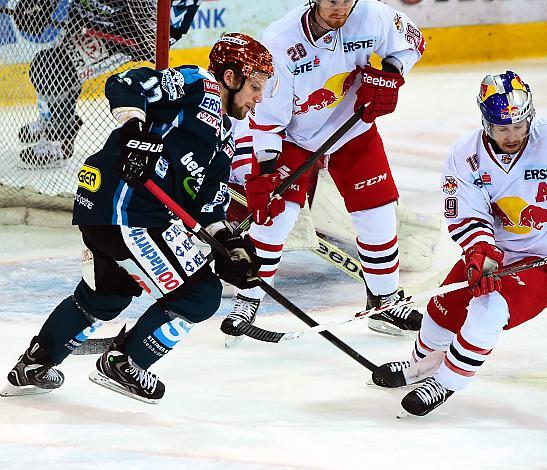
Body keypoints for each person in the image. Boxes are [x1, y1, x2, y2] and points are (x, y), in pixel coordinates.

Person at [1, 33, 274, 404]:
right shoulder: (198, 84)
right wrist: (134, 130)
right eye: (255, 86)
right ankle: (126, 363)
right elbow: (127, 82)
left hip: (109, 212)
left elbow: (208, 207)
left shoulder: (225, 138)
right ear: (230, 77)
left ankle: (34, 364)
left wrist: (231, 245)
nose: (259, 97)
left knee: (106, 296)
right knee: (200, 294)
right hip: (127, 210)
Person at [370, 70, 547, 416]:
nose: (512, 136)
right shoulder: (465, 156)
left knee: (490, 307)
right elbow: (467, 215)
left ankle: (444, 382)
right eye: (503, 128)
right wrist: (481, 254)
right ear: (486, 122)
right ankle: (420, 365)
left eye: (519, 126)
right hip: (495, 251)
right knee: (442, 307)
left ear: (530, 116)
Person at [220, 0, 428, 347]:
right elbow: (268, 120)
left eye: (348, 0)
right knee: (276, 216)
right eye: (333, 0)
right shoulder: (280, 41)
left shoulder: (371, 15)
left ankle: (383, 301)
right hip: (293, 135)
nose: (341, 8)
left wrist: (391, 73)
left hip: (353, 129)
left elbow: (410, 39)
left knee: (377, 215)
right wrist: (267, 171)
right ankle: (249, 296)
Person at [16, 0, 200, 169]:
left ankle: (59, 142)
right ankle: (50, 119)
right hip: (87, 17)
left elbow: (168, 28)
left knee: (55, 68)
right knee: (51, 66)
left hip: (126, 35)